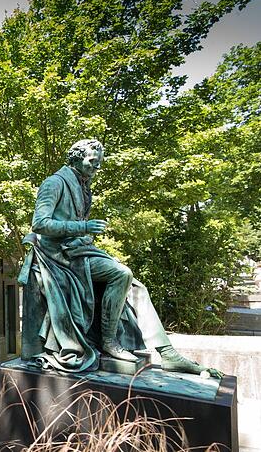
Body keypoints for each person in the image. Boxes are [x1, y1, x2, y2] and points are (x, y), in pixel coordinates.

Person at [18, 139, 220, 377]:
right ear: (75, 158)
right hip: (58, 257)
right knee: (121, 273)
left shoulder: (83, 187)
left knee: (134, 285)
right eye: (93, 161)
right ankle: (109, 341)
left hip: (79, 251)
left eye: (99, 163)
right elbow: (39, 224)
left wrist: (83, 232)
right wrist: (82, 227)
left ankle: (167, 353)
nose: (97, 167)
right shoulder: (54, 183)